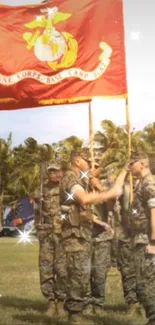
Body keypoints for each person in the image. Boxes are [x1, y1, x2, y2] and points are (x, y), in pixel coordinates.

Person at [59, 148, 128, 325]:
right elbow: (84, 199)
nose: (90, 165)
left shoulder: (82, 180)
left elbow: (82, 209)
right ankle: (74, 315)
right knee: (77, 275)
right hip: (75, 236)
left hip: (82, 235)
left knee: (82, 275)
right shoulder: (71, 178)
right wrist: (110, 193)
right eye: (87, 161)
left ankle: (77, 313)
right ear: (77, 161)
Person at [34, 163, 67, 318]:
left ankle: (61, 302)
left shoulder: (68, 187)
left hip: (63, 234)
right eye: (51, 171)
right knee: (46, 268)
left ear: (62, 172)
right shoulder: (41, 190)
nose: (54, 174)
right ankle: (50, 302)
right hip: (47, 234)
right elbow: (36, 211)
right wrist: (38, 226)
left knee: (62, 269)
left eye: (57, 170)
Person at [129, 153, 155, 325]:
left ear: (142, 164)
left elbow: (154, 211)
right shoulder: (142, 183)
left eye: (132, 163)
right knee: (143, 280)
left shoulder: (149, 183)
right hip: (141, 237)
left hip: (147, 239)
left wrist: (153, 241)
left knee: (146, 281)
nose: (129, 167)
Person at [117, 178, 145, 320]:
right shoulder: (123, 186)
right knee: (127, 271)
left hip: (142, 236)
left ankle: (146, 303)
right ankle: (132, 303)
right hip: (126, 234)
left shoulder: (149, 185)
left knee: (144, 271)